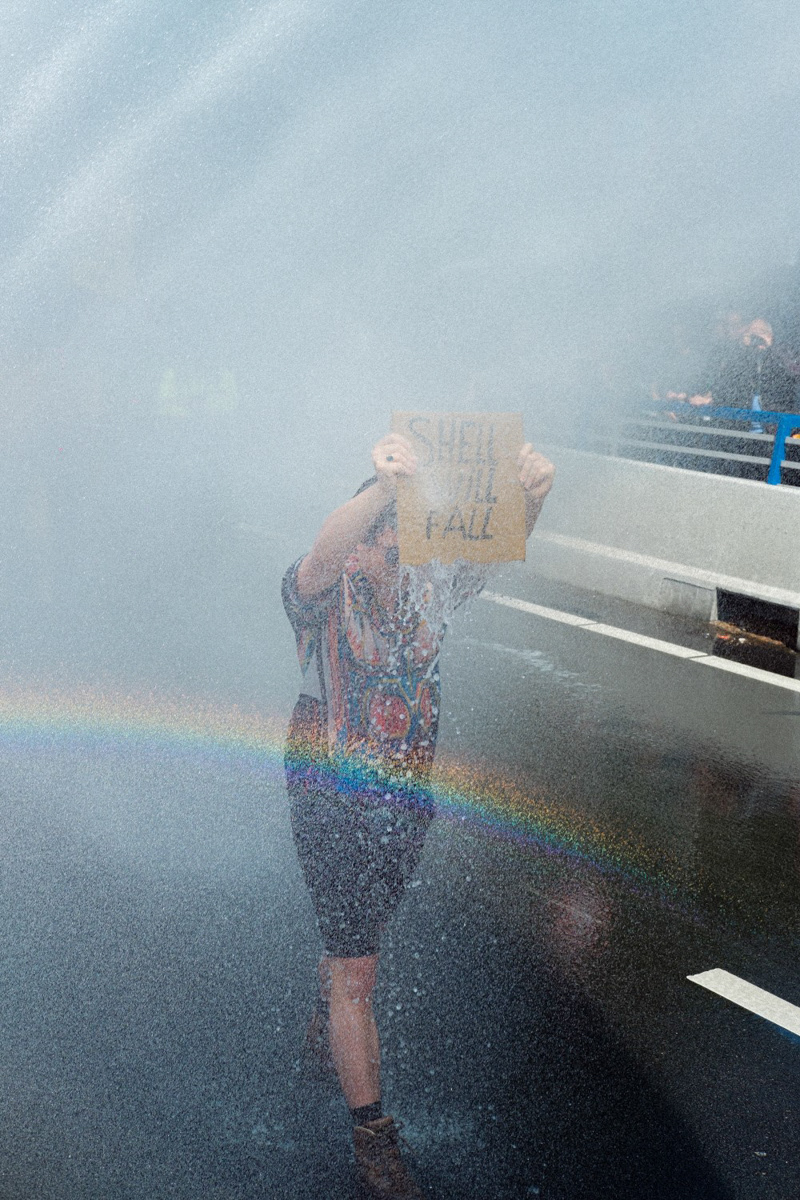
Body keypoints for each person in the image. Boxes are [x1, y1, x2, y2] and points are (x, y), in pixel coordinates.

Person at [282, 429, 555, 1198]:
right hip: (328, 795)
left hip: (405, 805)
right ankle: (374, 1139)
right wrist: (380, 485)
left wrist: (534, 494)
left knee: (363, 943)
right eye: (380, 536)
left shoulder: (430, 600)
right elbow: (322, 552)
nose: (391, 548)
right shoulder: (319, 599)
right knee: (359, 972)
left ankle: (332, 993)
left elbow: (493, 547)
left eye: (401, 535)